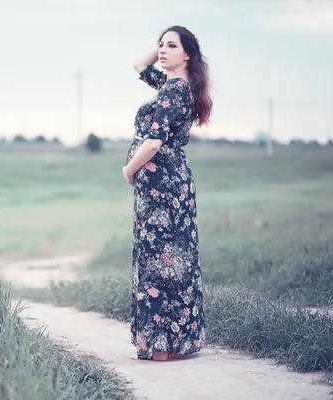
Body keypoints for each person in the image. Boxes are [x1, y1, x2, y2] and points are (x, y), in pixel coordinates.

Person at [122, 25, 213, 361]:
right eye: (160, 45)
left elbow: (155, 140)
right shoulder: (173, 84)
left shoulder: (175, 91)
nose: (161, 51)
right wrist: (164, 46)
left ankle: (162, 345)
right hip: (169, 182)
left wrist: (129, 169)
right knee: (172, 258)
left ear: (187, 53)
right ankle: (171, 342)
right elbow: (138, 65)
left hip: (161, 184)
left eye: (171, 46)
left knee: (159, 260)